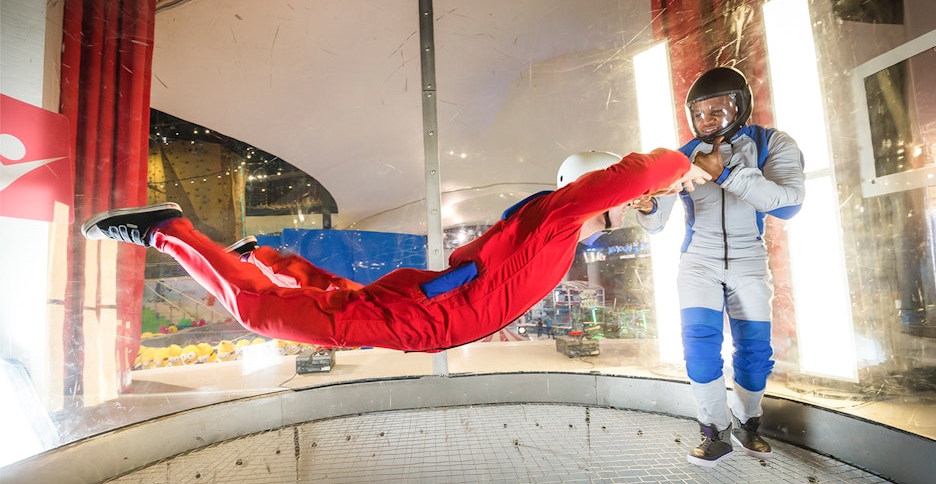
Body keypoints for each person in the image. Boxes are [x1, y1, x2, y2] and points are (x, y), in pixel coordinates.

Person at [82, 148, 711, 354]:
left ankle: (262, 257)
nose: (629, 205)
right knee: (261, 313)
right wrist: (679, 163)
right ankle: (167, 230)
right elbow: (630, 176)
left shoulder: (552, 224)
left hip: (433, 301)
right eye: (624, 199)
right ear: (589, 185)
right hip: (433, 314)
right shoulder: (558, 213)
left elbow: (635, 205)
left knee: (337, 300)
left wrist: (670, 183)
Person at [634, 66, 805, 467]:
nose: (707, 121)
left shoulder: (771, 142)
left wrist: (725, 173)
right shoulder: (681, 156)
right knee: (699, 344)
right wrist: (648, 206)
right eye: (699, 113)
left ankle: (748, 422)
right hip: (699, 261)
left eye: (717, 111)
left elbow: (789, 202)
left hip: (748, 260)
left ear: (740, 106)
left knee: (755, 350)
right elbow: (657, 224)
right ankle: (713, 430)